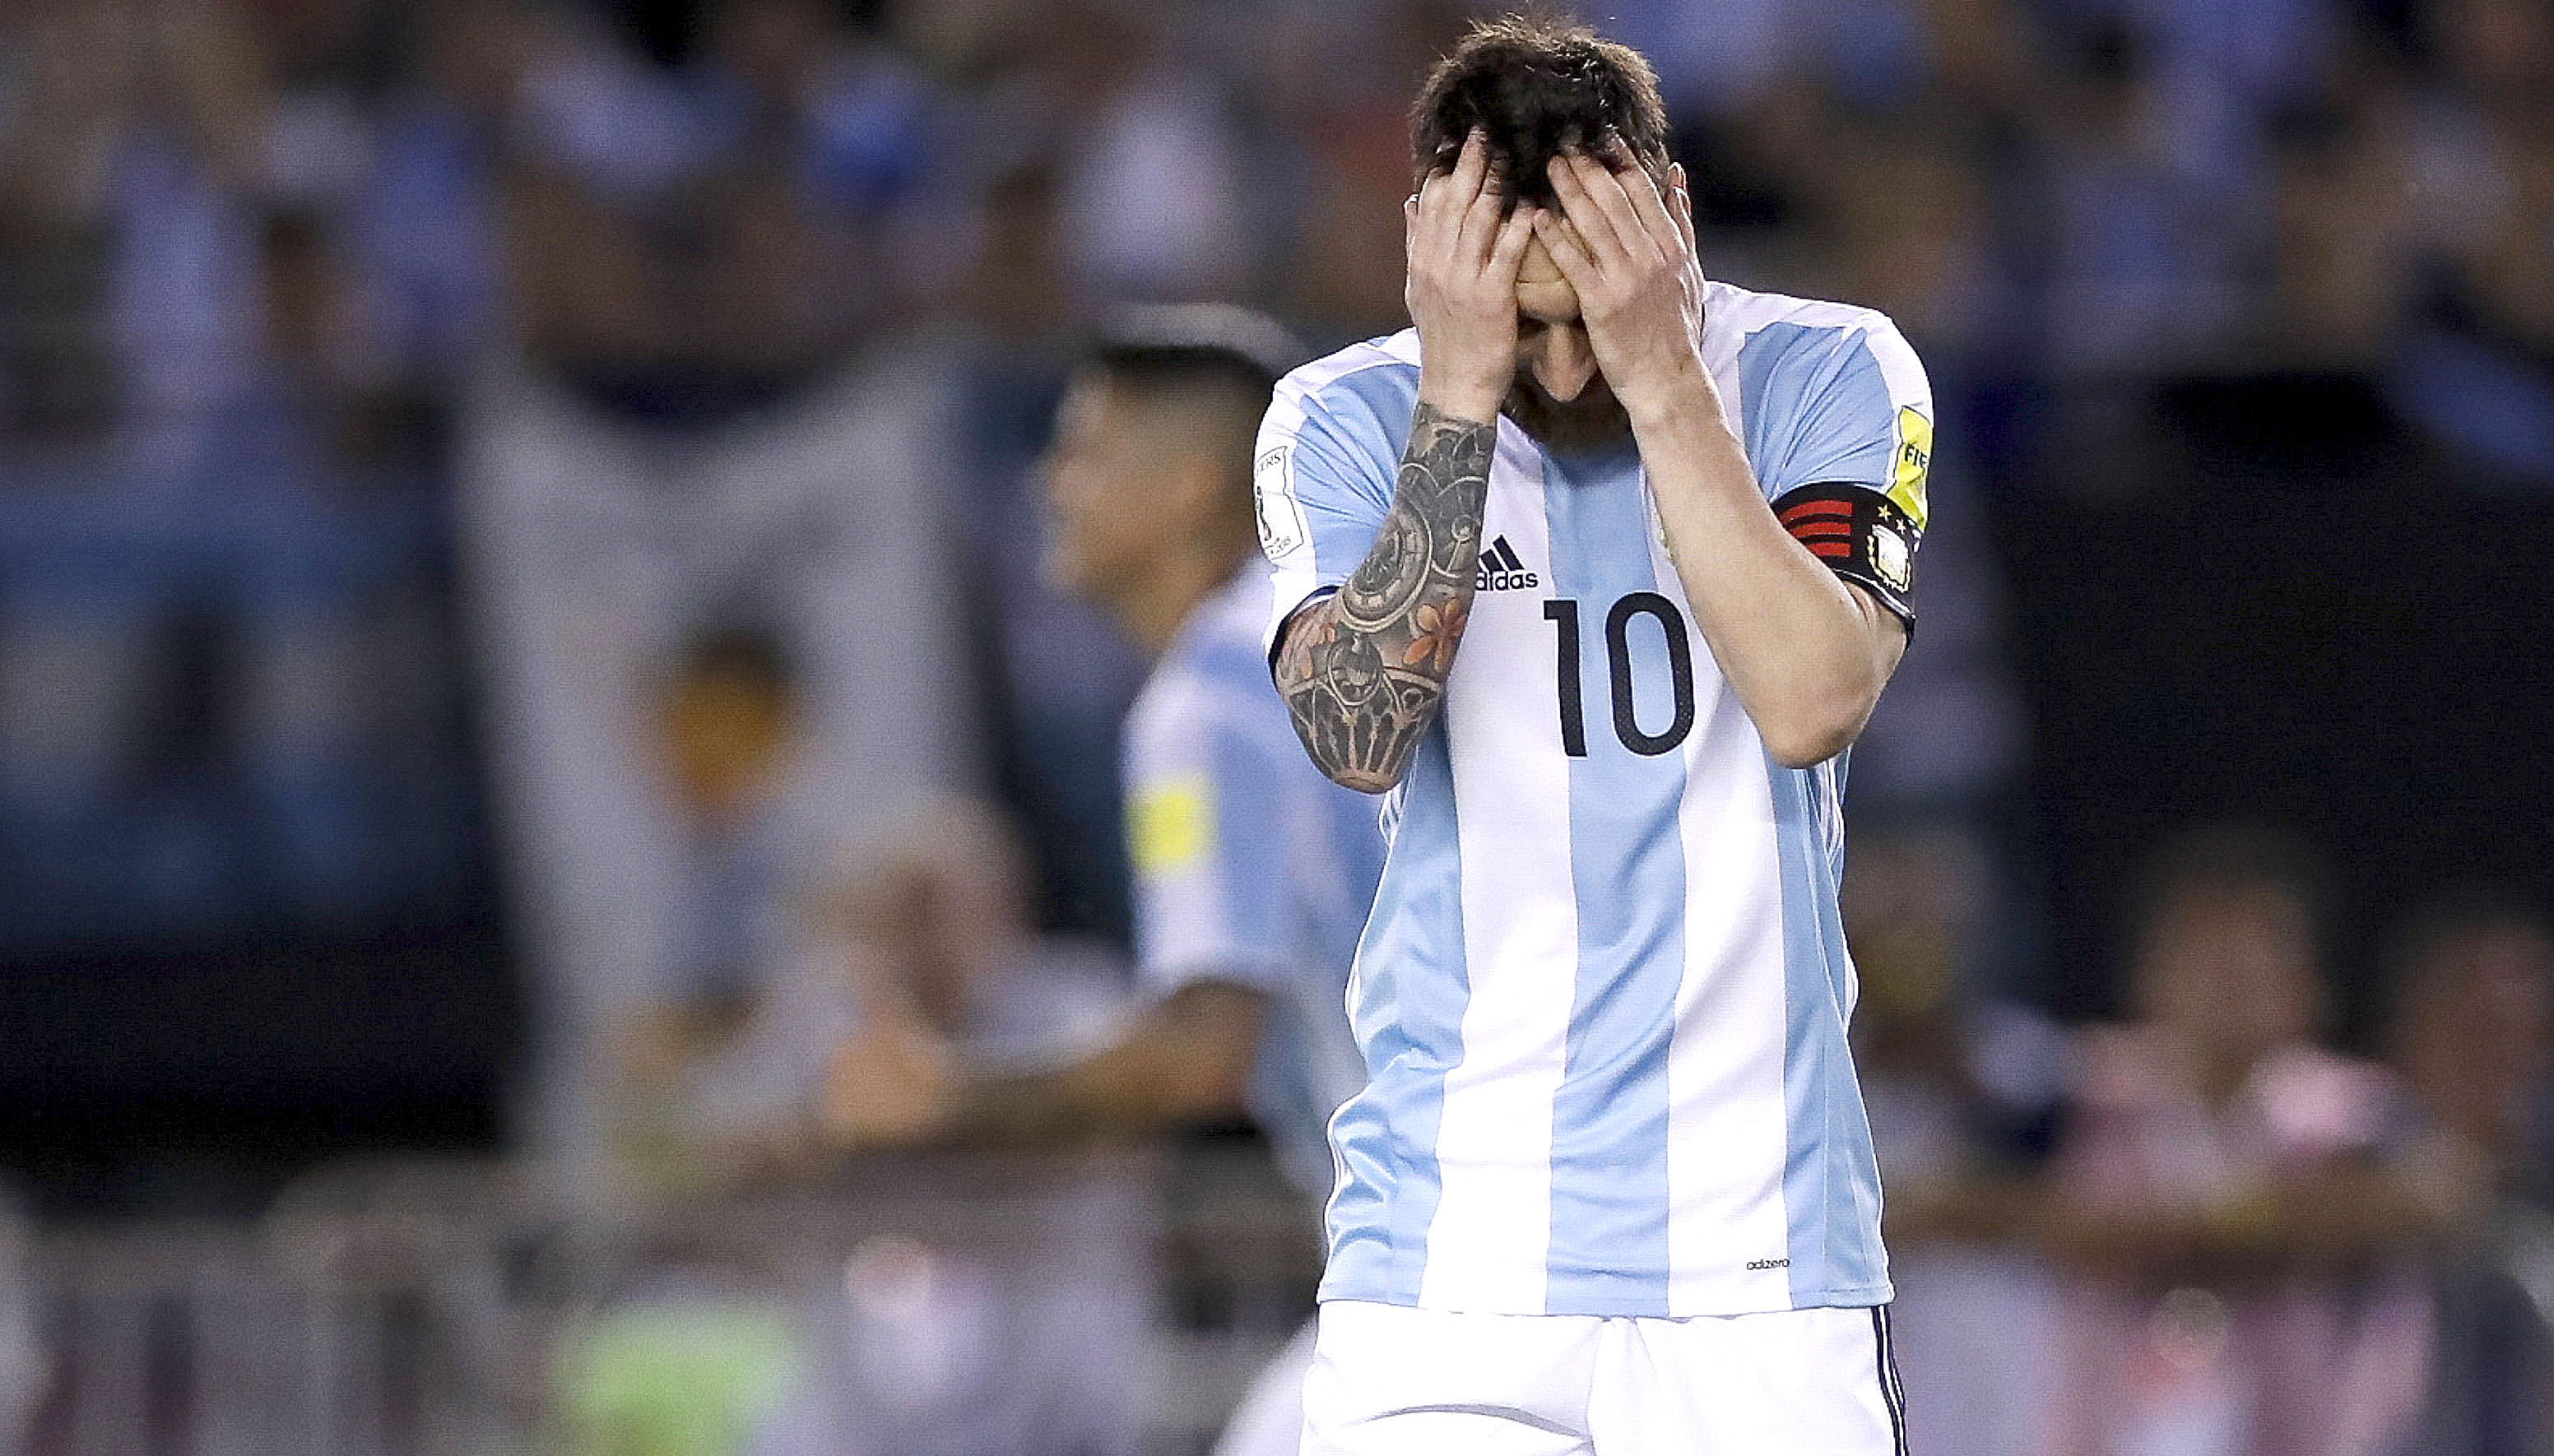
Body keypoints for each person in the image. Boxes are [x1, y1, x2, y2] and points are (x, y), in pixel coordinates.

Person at [1252, 15, 1933, 1454]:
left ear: (1672, 217)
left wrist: (1665, 369)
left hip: (1763, 1270)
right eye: (1525, 322)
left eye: (1589, 316)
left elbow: (1815, 697)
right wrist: (1458, 390)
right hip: (1448, 1261)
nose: (1564, 374)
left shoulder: (1830, 374)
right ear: (1436, 252)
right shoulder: (1345, 414)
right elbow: (1356, 734)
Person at [821, 304, 1388, 1456]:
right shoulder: (1342, 643)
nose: (1048, 482)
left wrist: (946, 1093)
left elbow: (1201, 1053)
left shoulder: (1214, 696)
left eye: (1085, 450)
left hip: (1476, 1265)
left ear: (1188, 486)